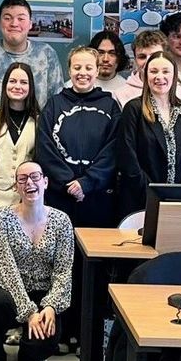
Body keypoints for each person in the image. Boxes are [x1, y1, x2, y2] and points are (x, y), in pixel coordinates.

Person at [0, 161, 73, 361]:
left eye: (35, 177)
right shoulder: (1, 219)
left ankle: (28, 351)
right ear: (16, 187)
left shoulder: (62, 221)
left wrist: (50, 306)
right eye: (22, 179)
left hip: (44, 293)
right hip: (9, 291)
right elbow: (6, 270)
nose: (29, 183)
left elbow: (63, 271)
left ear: (45, 182)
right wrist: (29, 312)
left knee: (40, 347)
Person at [37, 46, 122, 228]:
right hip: (60, 197)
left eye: (88, 68)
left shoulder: (111, 106)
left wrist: (87, 183)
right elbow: (45, 148)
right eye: (77, 68)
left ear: (97, 71)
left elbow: (114, 150)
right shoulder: (54, 105)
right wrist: (69, 184)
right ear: (69, 71)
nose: (82, 73)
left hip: (98, 198)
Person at [116, 51, 181, 219]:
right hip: (139, 200)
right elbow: (127, 158)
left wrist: (179, 194)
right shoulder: (133, 109)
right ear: (146, 75)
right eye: (153, 71)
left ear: (174, 75)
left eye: (165, 71)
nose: (159, 77)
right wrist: (153, 194)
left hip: (177, 203)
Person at [0, 0, 65, 128]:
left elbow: (57, 102)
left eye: (21, 18)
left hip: (37, 131)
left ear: (30, 23)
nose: (14, 23)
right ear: (0, 22)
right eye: (7, 18)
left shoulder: (46, 54)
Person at [0, 63, 40, 211]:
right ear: (5, 84)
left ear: (31, 87)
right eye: (12, 81)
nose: (17, 86)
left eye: (23, 82)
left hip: (26, 199)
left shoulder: (39, 121)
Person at [112, 30, 181, 108]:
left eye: (154, 56)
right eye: (142, 57)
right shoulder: (120, 95)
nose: (148, 62)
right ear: (135, 60)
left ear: (167, 57)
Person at [88, 30, 130, 94]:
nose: (105, 59)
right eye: (100, 53)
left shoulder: (127, 89)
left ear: (119, 57)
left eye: (112, 53)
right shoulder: (76, 86)